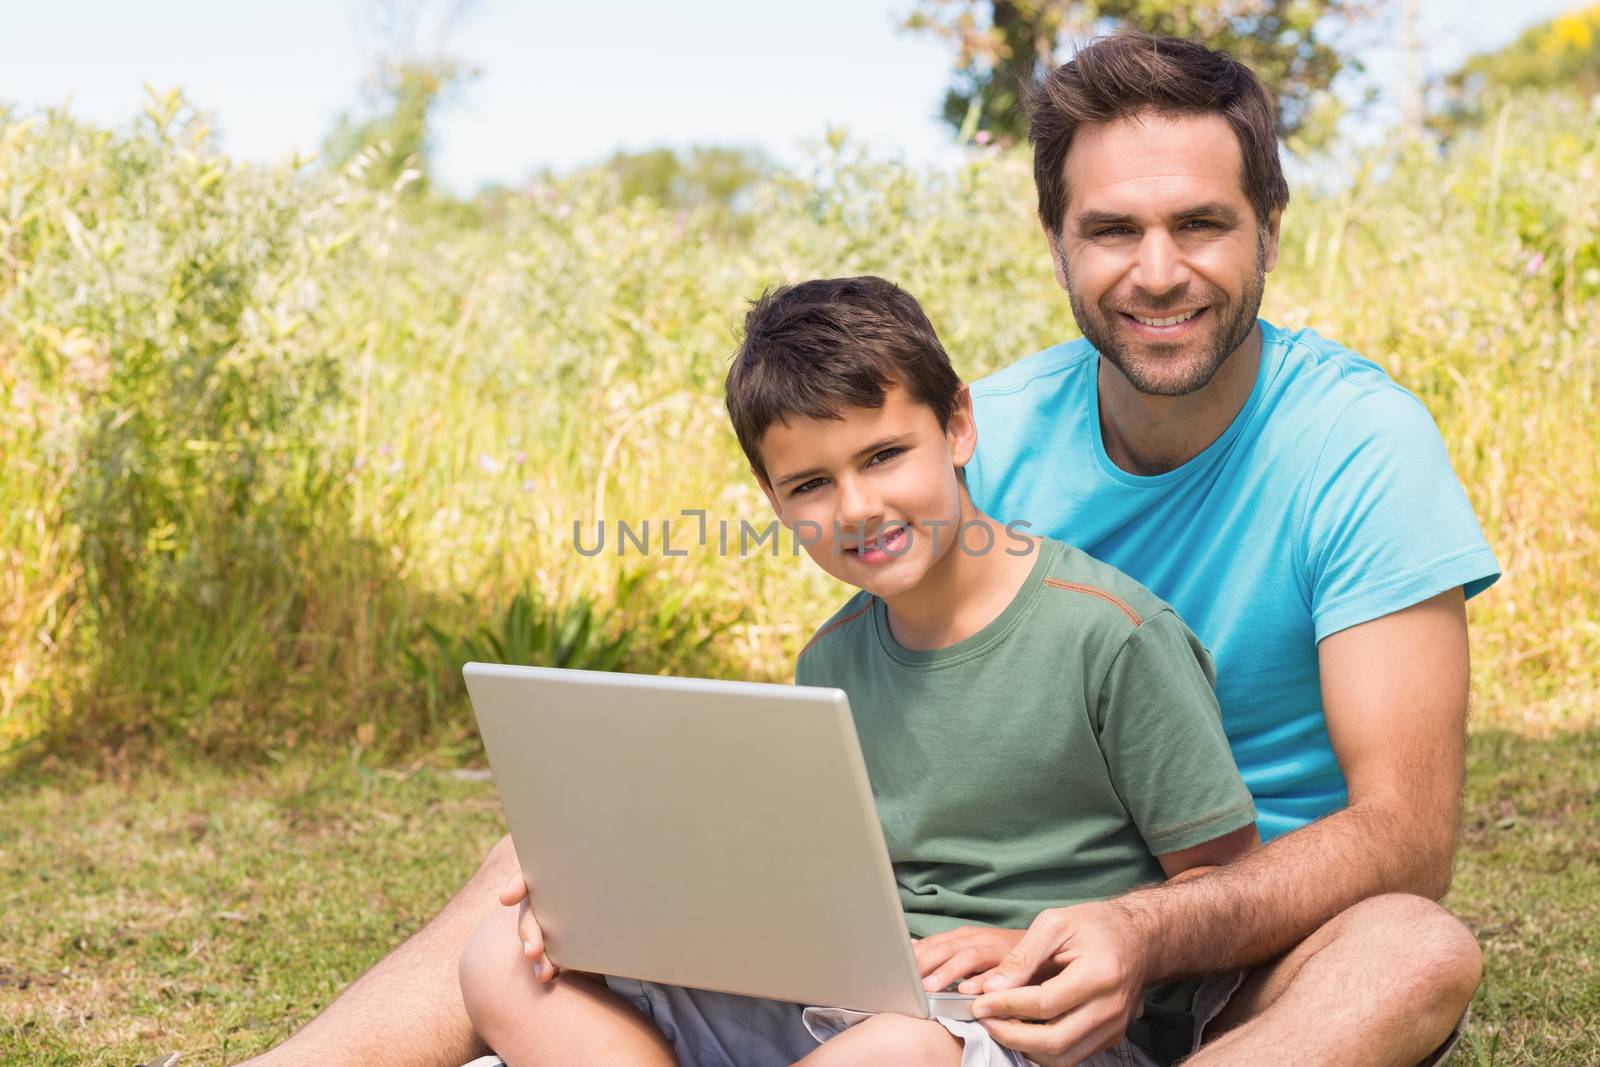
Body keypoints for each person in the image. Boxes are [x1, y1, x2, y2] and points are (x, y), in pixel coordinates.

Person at [234, 31, 1496, 1067]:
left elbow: (1405, 832)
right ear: (1057, 237)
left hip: (1239, 931)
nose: (1156, 272)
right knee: (545, 866)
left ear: (1266, 227)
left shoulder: (1358, 444)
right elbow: (909, 678)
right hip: (936, 949)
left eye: (1201, 225)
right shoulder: (979, 422)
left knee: (1414, 945)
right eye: (1111, 229)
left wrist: (1137, 928)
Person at [456, 275, 1261, 1067]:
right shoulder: (831, 658)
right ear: (773, 501)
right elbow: (818, 883)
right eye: (810, 484)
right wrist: (608, 917)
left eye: (882, 456)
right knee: (500, 958)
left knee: (898, 1050)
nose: (857, 508)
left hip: (1037, 1023)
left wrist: (1027, 946)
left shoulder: (1113, 635)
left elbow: (1221, 892)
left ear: (957, 427)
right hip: (858, 996)